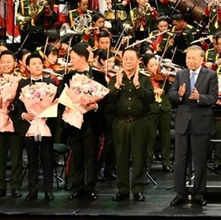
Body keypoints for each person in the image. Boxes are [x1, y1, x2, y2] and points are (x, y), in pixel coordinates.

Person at [169, 45, 219, 207]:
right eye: (188, 58)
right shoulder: (180, 74)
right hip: (183, 122)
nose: (190, 61)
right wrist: (179, 95)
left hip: (201, 122)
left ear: (202, 59)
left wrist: (199, 97)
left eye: (194, 58)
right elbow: (171, 93)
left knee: (200, 160)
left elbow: (213, 97)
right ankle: (180, 193)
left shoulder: (210, 75)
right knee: (180, 160)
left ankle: (199, 193)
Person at [106, 47, 154, 202]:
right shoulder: (115, 79)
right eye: (125, 58)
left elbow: (150, 99)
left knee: (139, 157)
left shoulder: (145, 79)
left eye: (131, 59)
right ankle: (123, 189)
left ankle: (138, 189)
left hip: (139, 122)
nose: (127, 61)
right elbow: (108, 101)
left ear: (138, 61)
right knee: (121, 157)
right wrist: (117, 86)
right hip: (120, 122)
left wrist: (138, 86)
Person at [62, 43, 106, 201]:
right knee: (77, 154)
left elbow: (106, 100)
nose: (71, 61)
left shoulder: (98, 76)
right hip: (74, 122)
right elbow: (62, 98)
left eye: (73, 58)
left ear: (82, 58)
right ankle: (78, 186)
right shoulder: (68, 77)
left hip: (92, 122)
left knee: (91, 155)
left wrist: (95, 106)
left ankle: (90, 187)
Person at [15, 53, 56, 201]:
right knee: (31, 160)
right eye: (34, 64)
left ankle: (48, 190)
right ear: (27, 67)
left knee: (47, 159)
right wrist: (24, 115)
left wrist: (48, 113)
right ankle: (32, 190)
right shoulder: (22, 84)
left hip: (46, 126)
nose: (37, 66)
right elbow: (17, 106)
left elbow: (56, 103)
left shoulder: (51, 83)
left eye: (39, 63)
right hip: (29, 126)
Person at [0, 50, 24, 198]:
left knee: (16, 157)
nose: (6, 65)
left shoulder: (21, 81)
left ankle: (15, 186)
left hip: (15, 122)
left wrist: (11, 106)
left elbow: (23, 102)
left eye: (9, 62)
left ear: (15, 63)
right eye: (3, 62)